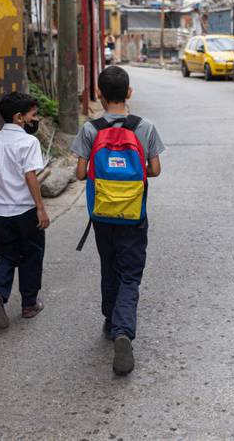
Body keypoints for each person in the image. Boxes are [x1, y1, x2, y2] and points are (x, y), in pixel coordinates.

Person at [71, 66, 165, 376]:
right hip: (133, 213)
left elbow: (81, 173)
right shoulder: (144, 127)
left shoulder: (90, 129)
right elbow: (155, 170)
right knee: (130, 273)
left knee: (109, 264)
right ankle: (124, 330)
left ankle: (111, 320)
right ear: (129, 93)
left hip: (101, 214)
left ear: (99, 94)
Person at [0, 92, 50, 329]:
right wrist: (40, 208)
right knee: (31, 255)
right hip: (25, 210)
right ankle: (29, 304)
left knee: (6, 255)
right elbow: (30, 175)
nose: (35, 119)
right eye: (33, 115)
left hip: (1, 211)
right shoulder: (29, 143)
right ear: (19, 117)